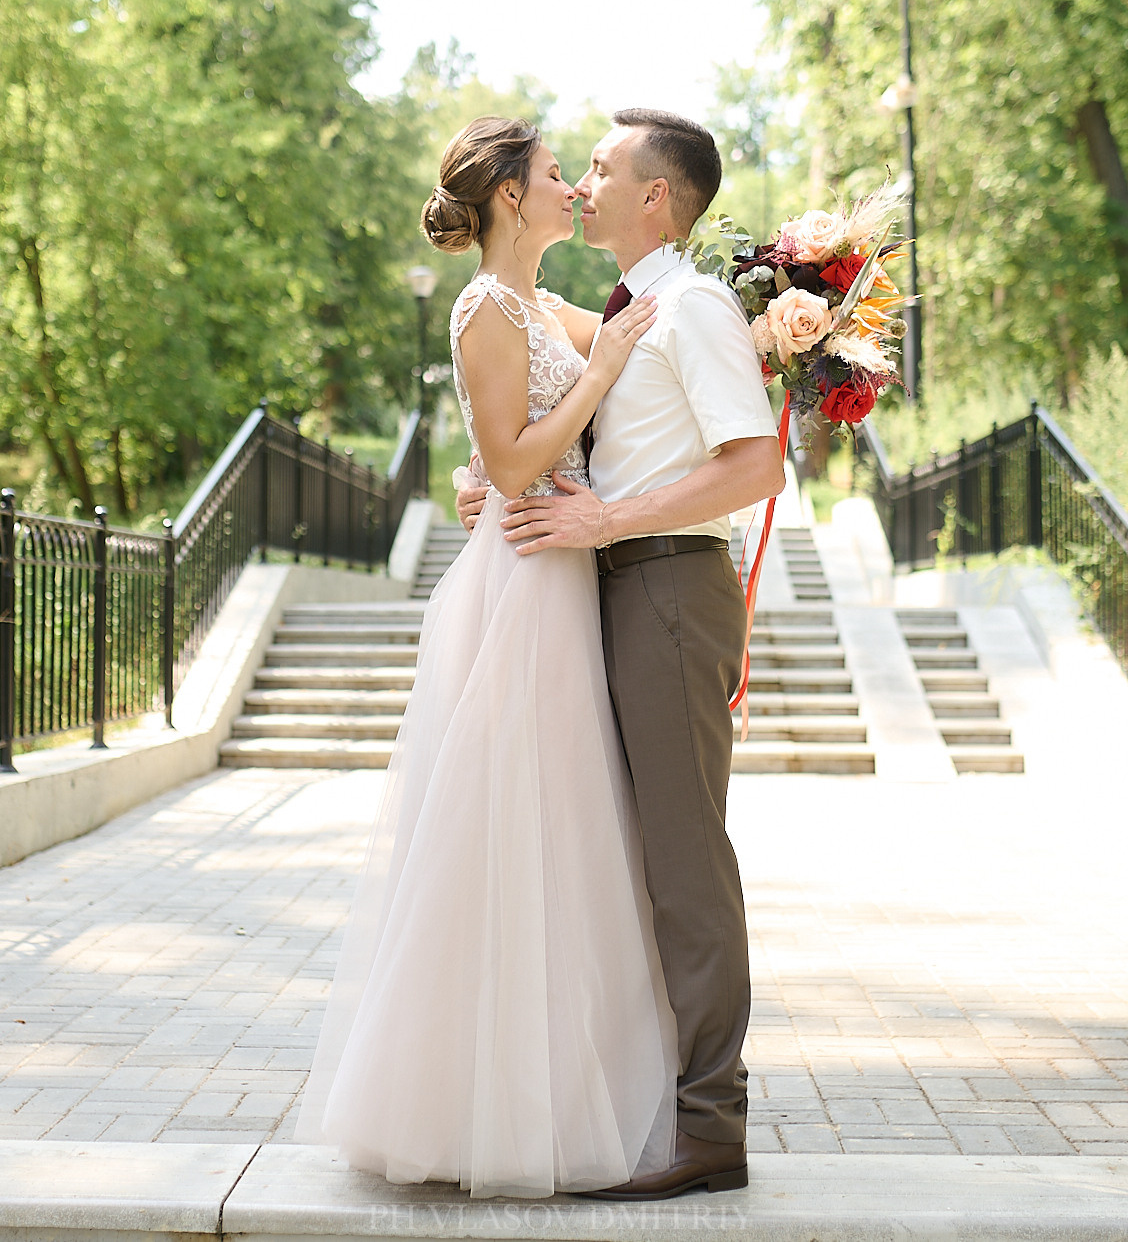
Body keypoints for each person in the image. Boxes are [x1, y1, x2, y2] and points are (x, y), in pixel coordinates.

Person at [295, 116, 676, 1200]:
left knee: (561, 836)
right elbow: (511, 464)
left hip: (559, 575)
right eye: (558, 175)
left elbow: (621, 348)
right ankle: (470, 1105)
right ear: (511, 195)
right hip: (519, 589)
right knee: (506, 833)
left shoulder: (545, 306)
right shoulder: (480, 308)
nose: (571, 189)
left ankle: (560, 1089)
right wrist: (593, 378)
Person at [455, 108, 783, 1201]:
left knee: (684, 860)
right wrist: (505, 487)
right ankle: (650, 1103)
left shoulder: (690, 307)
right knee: (626, 860)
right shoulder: (625, 310)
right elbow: (561, 434)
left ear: (654, 197)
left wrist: (607, 521)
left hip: (669, 587)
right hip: (609, 587)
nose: (582, 181)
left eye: (600, 168)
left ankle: (710, 1127)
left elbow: (754, 469)